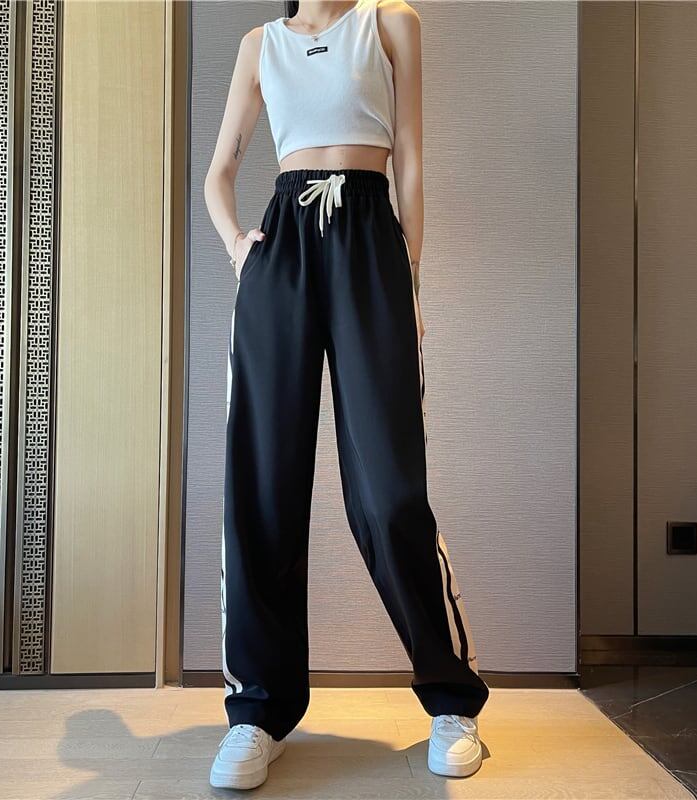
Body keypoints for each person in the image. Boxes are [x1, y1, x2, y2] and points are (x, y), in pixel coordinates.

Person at [203, 0, 490, 789]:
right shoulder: (260, 45)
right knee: (262, 487)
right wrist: (239, 248)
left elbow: (411, 160)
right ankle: (258, 712)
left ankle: (451, 699)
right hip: (283, 252)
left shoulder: (391, 22)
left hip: (370, 241)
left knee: (390, 491)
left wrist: (412, 280)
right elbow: (219, 171)